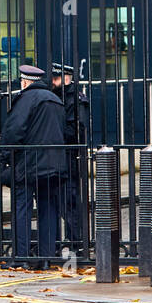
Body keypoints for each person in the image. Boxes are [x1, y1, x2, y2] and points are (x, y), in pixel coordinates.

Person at [1, 64, 67, 267]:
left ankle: (22, 257)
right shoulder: (56, 100)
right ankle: (47, 257)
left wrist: (5, 158)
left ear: (25, 82)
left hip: (29, 165)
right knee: (48, 209)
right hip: (54, 165)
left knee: (23, 209)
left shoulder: (25, 100)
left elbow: (13, 132)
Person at [51, 63, 90, 251]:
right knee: (53, 202)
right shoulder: (54, 96)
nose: (52, 82)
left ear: (67, 78)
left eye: (56, 78)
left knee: (69, 202)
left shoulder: (76, 99)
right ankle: (55, 243)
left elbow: (77, 132)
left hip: (67, 156)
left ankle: (76, 243)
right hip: (52, 157)